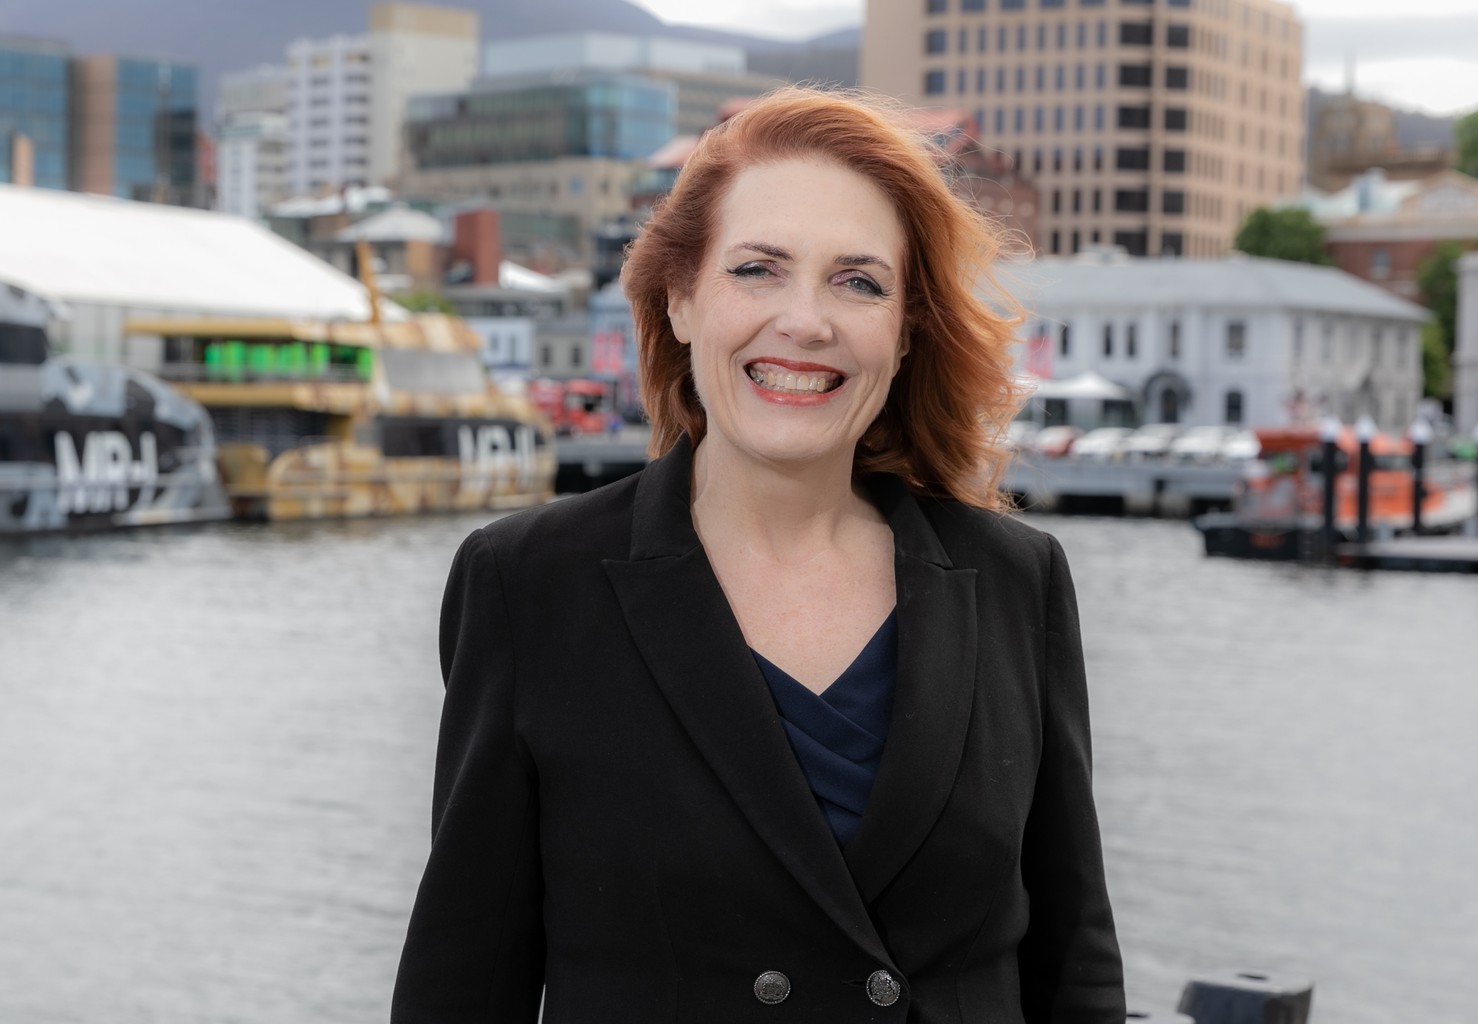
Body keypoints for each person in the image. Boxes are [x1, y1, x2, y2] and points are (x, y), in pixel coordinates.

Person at [392, 87, 1124, 1023]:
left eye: (859, 283)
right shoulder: (530, 584)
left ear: (905, 333)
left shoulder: (1018, 582)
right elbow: (461, 982)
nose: (806, 321)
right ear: (681, 299)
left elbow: (1075, 968)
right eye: (757, 270)